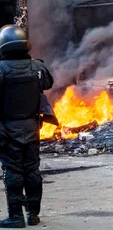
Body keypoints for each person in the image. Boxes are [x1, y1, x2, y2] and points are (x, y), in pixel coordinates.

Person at [0, 25, 54, 228]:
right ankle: (33, 214)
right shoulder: (37, 67)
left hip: (8, 129)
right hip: (32, 127)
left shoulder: (1, 70)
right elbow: (48, 83)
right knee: (32, 170)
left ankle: (15, 217)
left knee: (12, 171)